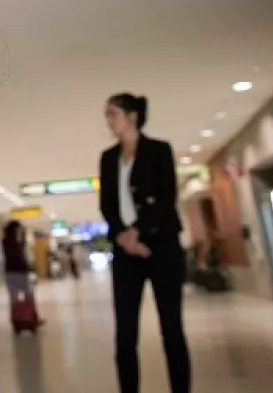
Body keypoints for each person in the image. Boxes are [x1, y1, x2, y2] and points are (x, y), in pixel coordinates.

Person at [99, 93, 191, 393]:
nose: (109, 121)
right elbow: (107, 204)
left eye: (113, 113)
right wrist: (124, 237)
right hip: (126, 252)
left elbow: (166, 198)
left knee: (172, 330)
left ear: (132, 116)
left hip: (161, 246)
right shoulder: (108, 158)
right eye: (107, 115)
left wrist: (139, 232)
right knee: (125, 335)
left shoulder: (159, 150)